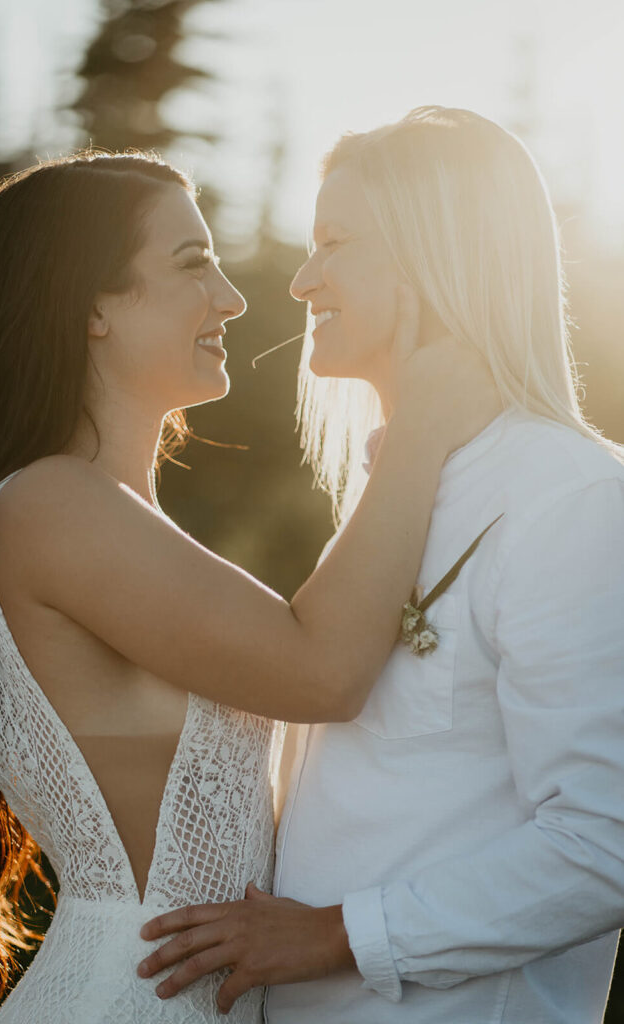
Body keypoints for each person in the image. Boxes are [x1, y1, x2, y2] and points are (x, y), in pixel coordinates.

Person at [0, 150, 499, 1024]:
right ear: (92, 306)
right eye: (191, 263)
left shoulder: (104, 514)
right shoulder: (55, 504)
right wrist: (421, 423)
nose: (234, 299)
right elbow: (322, 672)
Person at [137, 108, 624, 1024]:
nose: (301, 277)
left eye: (334, 243)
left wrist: (335, 936)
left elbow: (606, 842)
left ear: (432, 255)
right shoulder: (390, 494)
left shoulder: (569, 497)